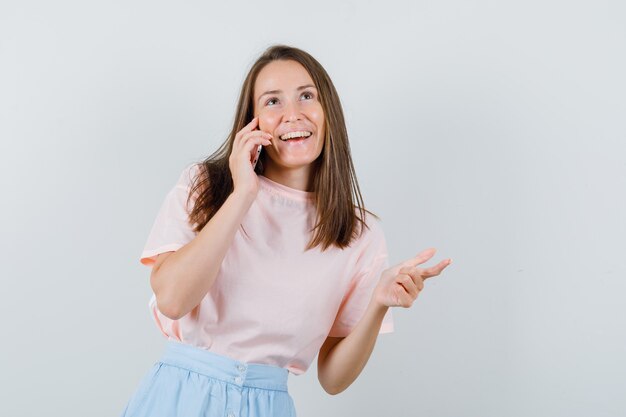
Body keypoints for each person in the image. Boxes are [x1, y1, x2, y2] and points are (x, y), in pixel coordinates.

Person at [120, 44, 452, 417]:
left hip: (269, 406)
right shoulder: (207, 185)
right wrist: (244, 193)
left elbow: (334, 379)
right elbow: (173, 300)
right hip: (180, 398)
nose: (293, 115)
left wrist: (377, 303)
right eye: (273, 102)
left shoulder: (358, 233)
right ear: (252, 121)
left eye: (306, 96)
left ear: (328, 112)